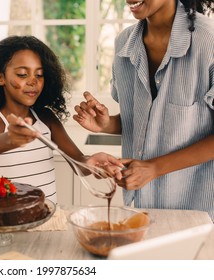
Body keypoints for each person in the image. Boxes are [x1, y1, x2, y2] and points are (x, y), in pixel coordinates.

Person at [73, 0, 214, 219]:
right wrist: (107, 124)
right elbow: (146, 120)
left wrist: (154, 168)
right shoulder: (123, 44)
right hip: (139, 207)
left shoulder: (209, 41)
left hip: (198, 212)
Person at [0, 35, 123, 203]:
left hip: (46, 216)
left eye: (39, 75)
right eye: (22, 74)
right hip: (4, 221)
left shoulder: (46, 118)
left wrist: (91, 162)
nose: (33, 81)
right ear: (0, 78)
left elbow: (78, 162)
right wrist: (9, 139)